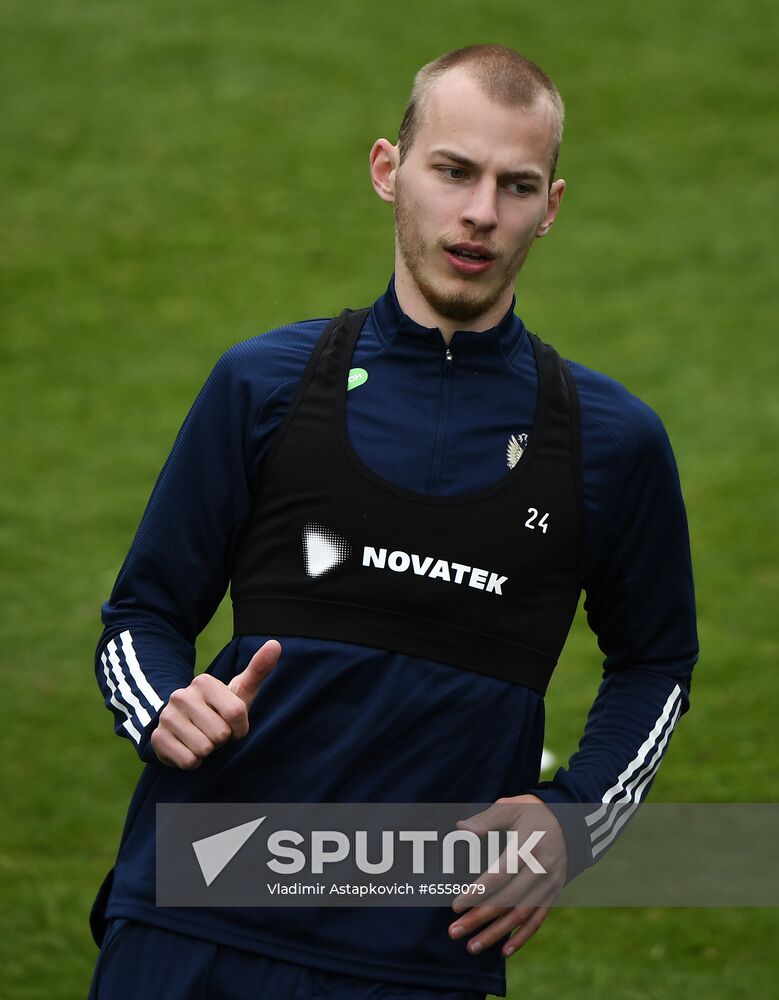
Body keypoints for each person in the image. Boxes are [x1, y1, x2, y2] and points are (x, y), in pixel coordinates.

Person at [88, 44, 698, 1000]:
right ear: (389, 170)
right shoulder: (265, 386)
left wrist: (574, 817)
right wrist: (163, 703)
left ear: (552, 207)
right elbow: (142, 615)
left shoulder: (611, 443)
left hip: (416, 946)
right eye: (453, 171)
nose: (480, 214)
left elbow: (656, 661)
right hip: (191, 908)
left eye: (516, 185)